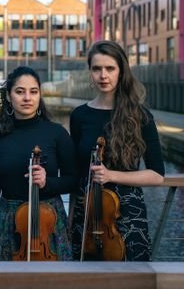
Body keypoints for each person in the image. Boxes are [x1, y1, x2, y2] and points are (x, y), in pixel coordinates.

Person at [69, 40, 165, 261]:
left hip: (129, 213)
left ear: (121, 71)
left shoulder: (140, 116)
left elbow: (157, 175)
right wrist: (72, 216)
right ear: (90, 72)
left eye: (110, 68)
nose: (103, 75)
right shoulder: (79, 116)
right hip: (87, 214)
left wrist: (111, 175)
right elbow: (77, 174)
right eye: (97, 69)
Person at [0, 66, 77, 261]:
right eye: (19, 91)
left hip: (48, 221)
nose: (27, 98)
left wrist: (48, 182)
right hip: (6, 222)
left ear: (39, 95)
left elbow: (74, 180)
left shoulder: (57, 133)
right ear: (8, 96)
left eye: (33, 92)